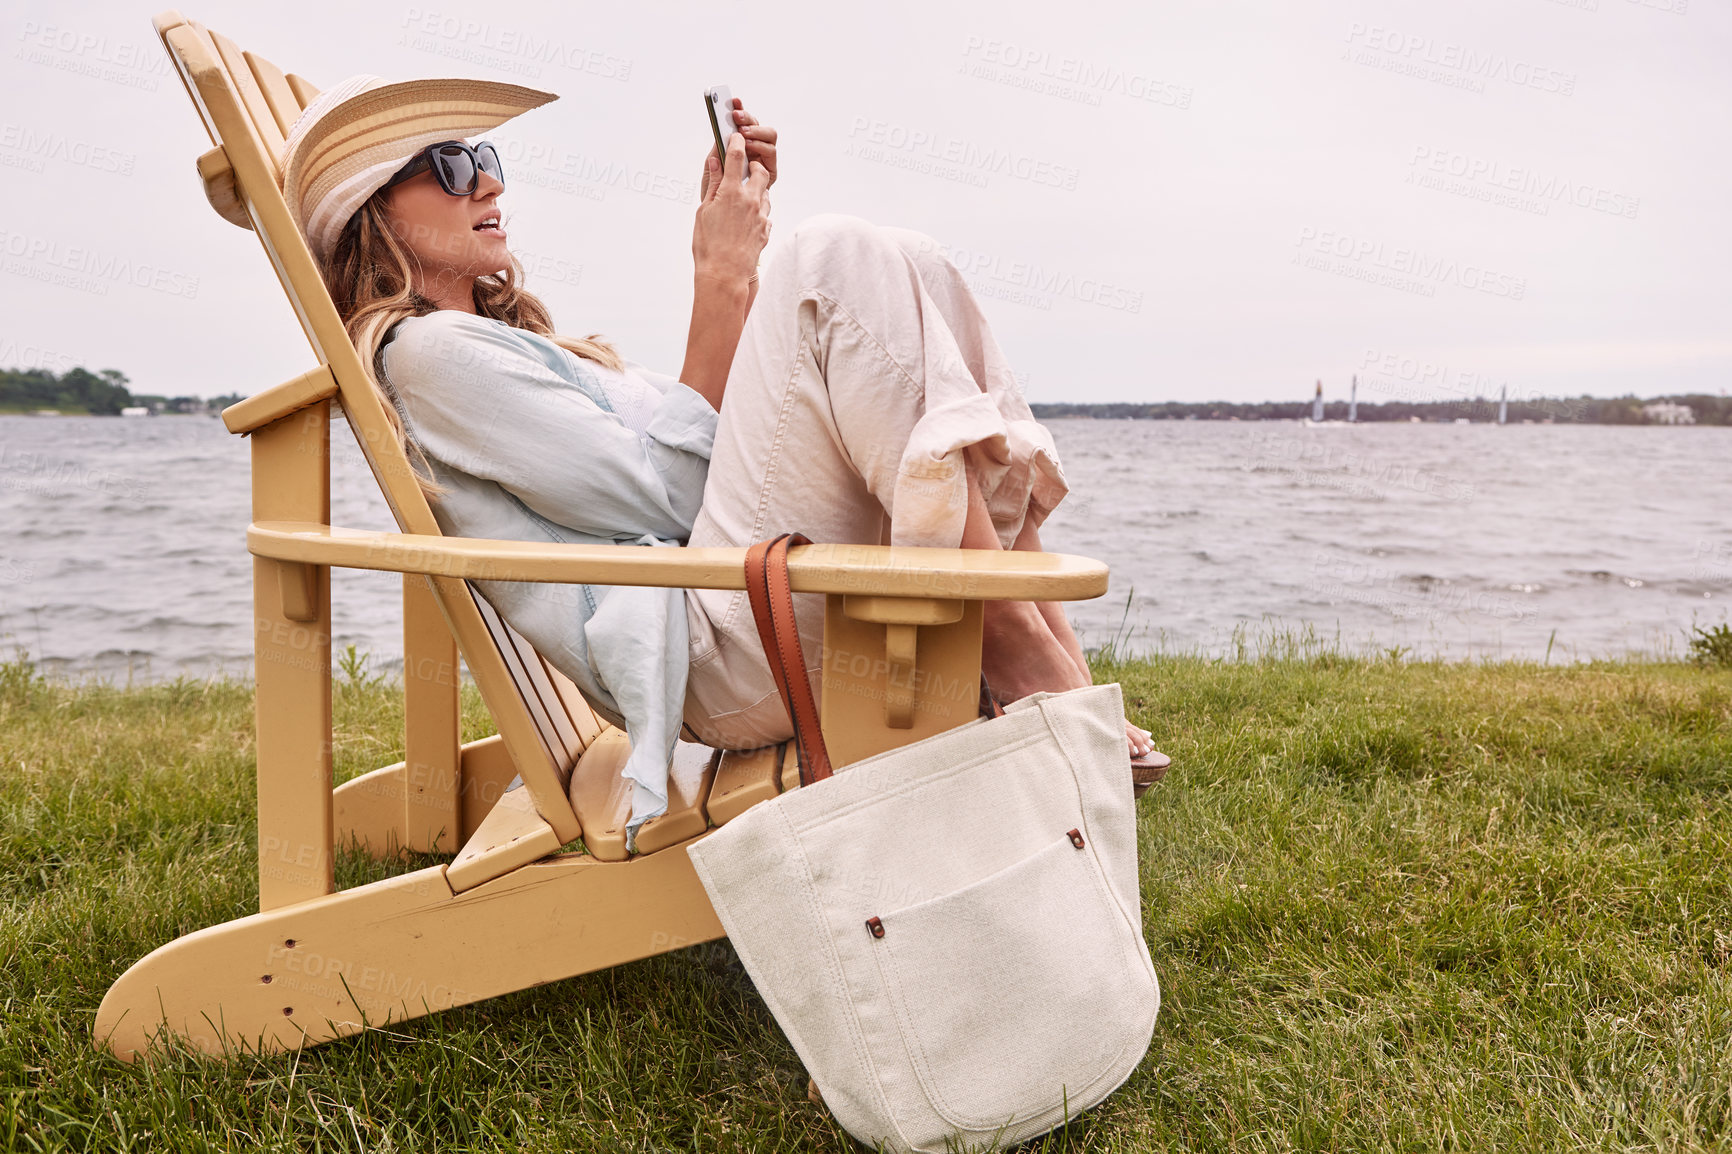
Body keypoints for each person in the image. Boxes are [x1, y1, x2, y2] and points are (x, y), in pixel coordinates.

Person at [277, 75, 1167, 844]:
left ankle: (1030, 638)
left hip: (732, 601)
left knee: (903, 262)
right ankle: (1012, 640)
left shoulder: (504, 349)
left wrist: (737, 257)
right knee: (829, 262)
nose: (489, 183)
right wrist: (724, 277)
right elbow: (668, 495)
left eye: (488, 162)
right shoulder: (429, 358)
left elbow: (726, 430)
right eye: (453, 167)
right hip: (715, 661)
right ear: (372, 213)